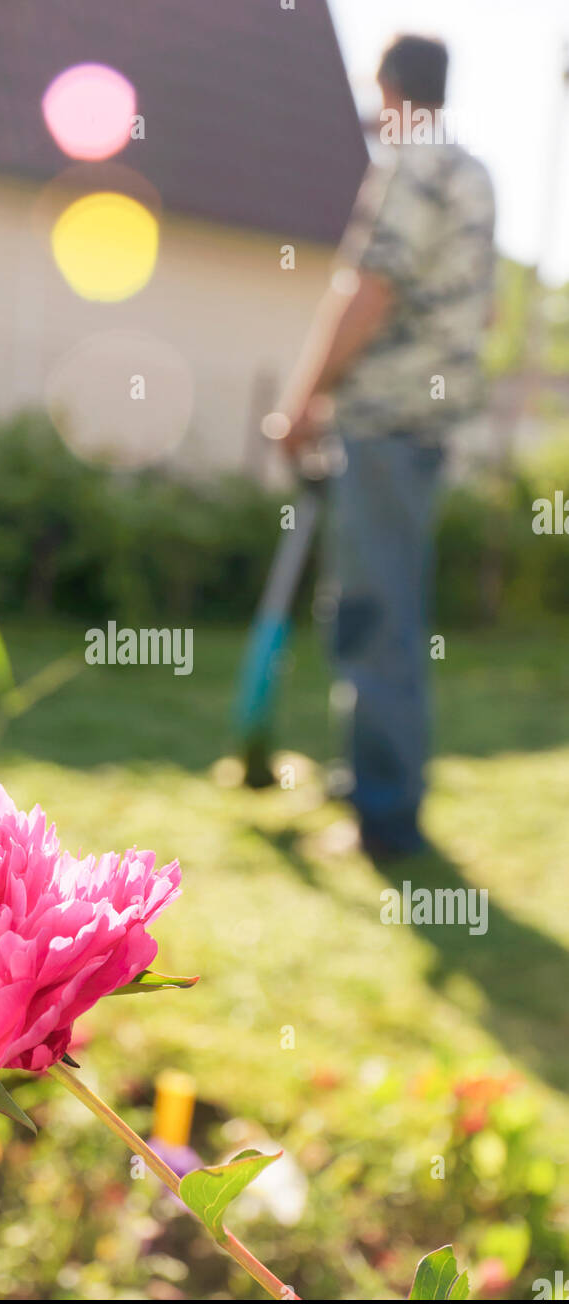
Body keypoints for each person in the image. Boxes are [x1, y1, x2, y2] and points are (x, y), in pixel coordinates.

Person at [281, 34, 495, 857]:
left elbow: (367, 291)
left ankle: (384, 818)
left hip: (384, 422)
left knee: (376, 619)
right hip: (428, 426)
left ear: (392, 87)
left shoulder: (411, 164)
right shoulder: (473, 173)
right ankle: (369, 782)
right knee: (383, 609)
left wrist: (301, 401)